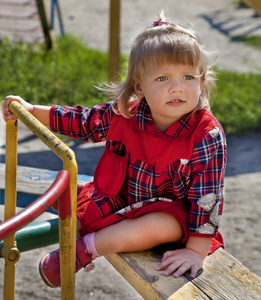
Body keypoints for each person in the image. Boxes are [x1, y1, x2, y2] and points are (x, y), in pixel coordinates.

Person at [1, 12, 226, 288]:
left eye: (188, 76)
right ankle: (72, 235)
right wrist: (33, 111)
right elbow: (84, 122)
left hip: (171, 215)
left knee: (161, 225)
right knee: (82, 207)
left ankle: (84, 250)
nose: (177, 88)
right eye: (163, 78)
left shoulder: (206, 134)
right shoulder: (126, 114)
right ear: (139, 87)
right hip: (121, 198)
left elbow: (208, 197)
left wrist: (195, 251)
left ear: (200, 82)